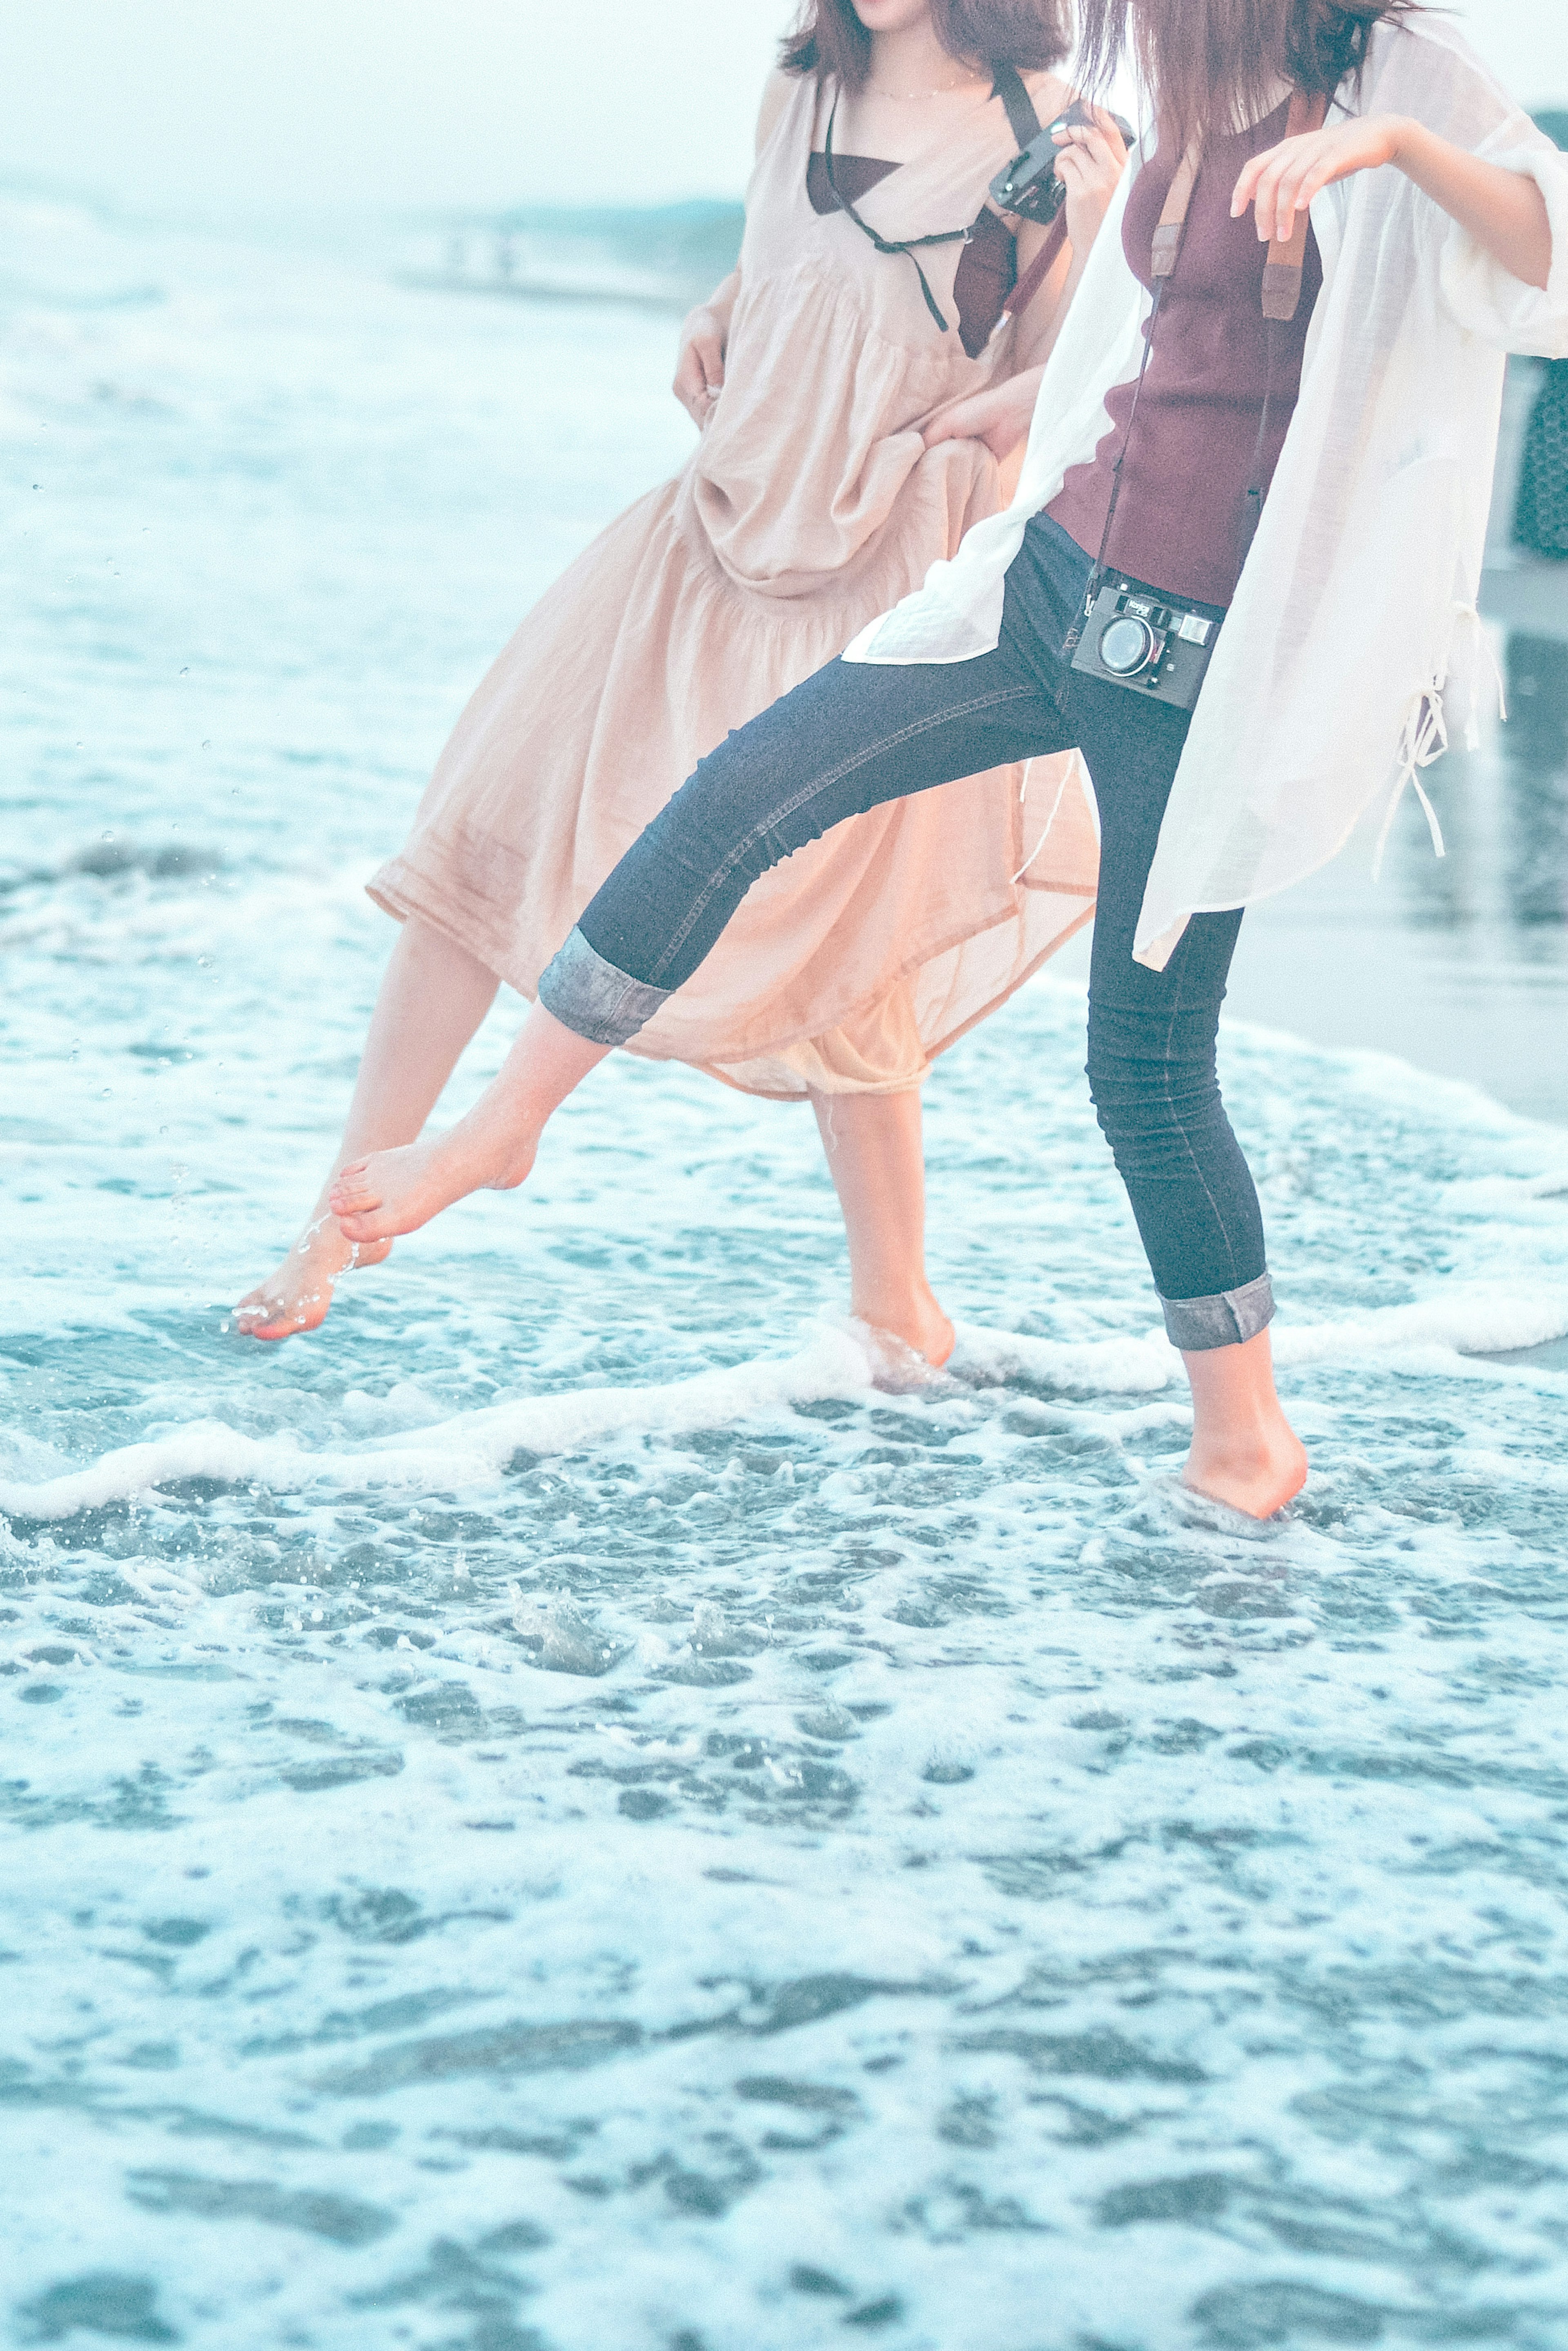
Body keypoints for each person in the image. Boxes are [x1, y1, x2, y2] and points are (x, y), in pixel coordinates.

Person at [323, 0, 1568, 1519]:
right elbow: (1129, 353)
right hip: (1050, 582)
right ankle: (509, 1122)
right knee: (746, 786)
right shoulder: (1184, 71)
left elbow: (1543, 249)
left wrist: (1392, 145)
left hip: (1199, 671)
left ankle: (1248, 1437)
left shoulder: (1390, 73)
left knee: (1146, 1070)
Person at [236, 0, 1129, 1367]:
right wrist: (707, 317)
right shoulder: (798, 93)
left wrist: (1015, 396)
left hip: (878, 555)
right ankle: (333, 1218)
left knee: (849, 936)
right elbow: (778, 274)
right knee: (481, 838)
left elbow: (1071, 386)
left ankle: (897, 1303)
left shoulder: (1058, 141)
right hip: (708, 528)